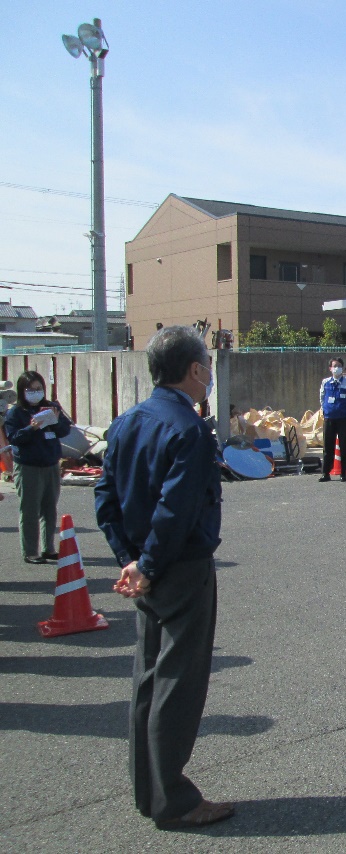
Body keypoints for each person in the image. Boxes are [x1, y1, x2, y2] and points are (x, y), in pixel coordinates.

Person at [93, 326, 233, 830]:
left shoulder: (127, 422)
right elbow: (176, 511)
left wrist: (129, 561)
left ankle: (148, 790)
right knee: (178, 681)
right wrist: (148, 565)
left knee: (148, 678)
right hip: (178, 567)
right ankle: (175, 799)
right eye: (208, 368)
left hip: (145, 567)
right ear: (194, 370)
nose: (210, 375)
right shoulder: (190, 430)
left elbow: (105, 498)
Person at [5, 371, 71, 563]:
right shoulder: (16, 412)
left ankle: (48, 548)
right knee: (30, 510)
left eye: (39, 389)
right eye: (31, 389)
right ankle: (30, 551)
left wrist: (55, 420)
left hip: (50, 463)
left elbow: (65, 430)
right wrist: (32, 427)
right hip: (28, 466)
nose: (36, 393)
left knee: (50, 508)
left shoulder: (50, 407)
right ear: (22, 391)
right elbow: (14, 438)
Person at [318, 357, 346, 482]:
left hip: (343, 418)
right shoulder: (326, 382)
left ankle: (343, 472)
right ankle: (325, 473)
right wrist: (324, 409)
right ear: (330, 368)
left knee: (344, 445)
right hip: (329, 417)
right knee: (328, 446)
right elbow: (322, 397)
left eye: (339, 365)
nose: (337, 368)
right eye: (334, 366)